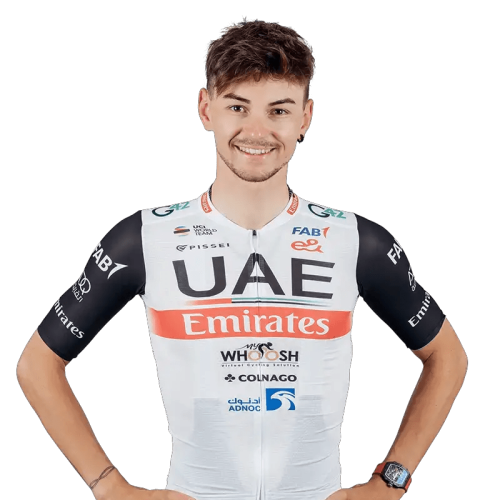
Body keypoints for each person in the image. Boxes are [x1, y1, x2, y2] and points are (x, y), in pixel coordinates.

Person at [16, 19, 468, 500]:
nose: (257, 131)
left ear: (305, 117)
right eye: (237, 106)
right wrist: (109, 487)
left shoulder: (357, 240)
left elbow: (447, 357)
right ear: (205, 109)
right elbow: (38, 364)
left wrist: (391, 482)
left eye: (279, 110)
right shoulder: (145, 237)